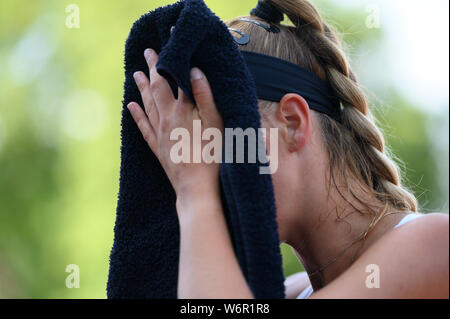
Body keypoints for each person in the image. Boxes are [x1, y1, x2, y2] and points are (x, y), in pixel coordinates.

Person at [126, 0, 449, 299]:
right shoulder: (288, 292)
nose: (206, 170)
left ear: (293, 123)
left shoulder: (435, 246)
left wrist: (194, 190)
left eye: (223, 145)